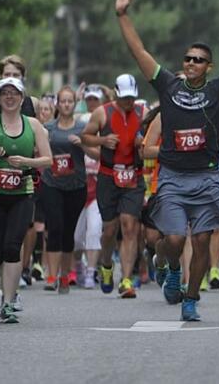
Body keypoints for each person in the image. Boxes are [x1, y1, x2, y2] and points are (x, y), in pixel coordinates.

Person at [118, 0, 219, 322]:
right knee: (175, 240)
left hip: (208, 177)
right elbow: (140, 53)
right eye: (188, 59)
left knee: (204, 241)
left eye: (199, 60)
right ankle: (163, 262)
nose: (192, 63)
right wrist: (122, 15)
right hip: (174, 178)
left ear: (209, 66)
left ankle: (191, 299)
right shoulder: (168, 85)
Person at [0, 77, 53, 323]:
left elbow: (48, 160)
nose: (10, 97)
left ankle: (8, 302)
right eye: (4, 93)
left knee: (12, 247)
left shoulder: (34, 125)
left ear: (22, 98)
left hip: (22, 193)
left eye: (14, 93)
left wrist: (27, 162)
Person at [80, 73, 146, 299]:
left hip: (133, 176)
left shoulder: (142, 113)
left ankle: (126, 279)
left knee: (130, 226)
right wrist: (103, 140)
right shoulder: (102, 112)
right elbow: (85, 137)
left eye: (132, 98)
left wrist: (142, 144)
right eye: (125, 97)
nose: (129, 102)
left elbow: (152, 140)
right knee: (109, 230)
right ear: (116, 94)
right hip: (108, 176)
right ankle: (106, 265)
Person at [40, 87, 94, 293]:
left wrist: (83, 144)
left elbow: (96, 154)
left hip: (76, 185)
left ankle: (65, 275)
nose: (66, 105)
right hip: (52, 184)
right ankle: (51, 276)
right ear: (57, 104)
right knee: (55, 226)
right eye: (62, 101)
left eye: (70, 101)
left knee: (68, 231)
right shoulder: (48, 128)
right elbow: (38, 149)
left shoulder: (82, 128)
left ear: (75, 104)